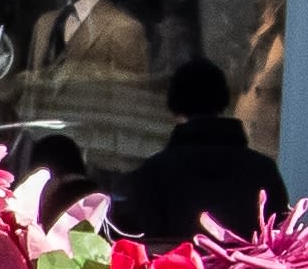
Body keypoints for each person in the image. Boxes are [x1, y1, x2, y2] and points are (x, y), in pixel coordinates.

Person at [105, 55, 289, 246]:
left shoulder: (153, 173)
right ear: (224, 100)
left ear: (174, 103)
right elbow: (281, 239)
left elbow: (137, 242)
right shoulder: (263, 170)